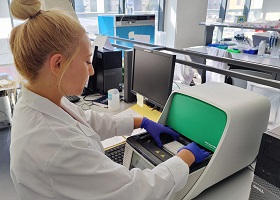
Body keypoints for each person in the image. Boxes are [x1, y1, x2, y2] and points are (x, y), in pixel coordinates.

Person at [9, 0, 210, 199]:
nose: (91, 69)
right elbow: (134, 191)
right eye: (87, 61)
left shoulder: (39, 99)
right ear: (58, 64)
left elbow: (84, 121)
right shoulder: (56, 144)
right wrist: (184, 158)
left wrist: (141, 122)